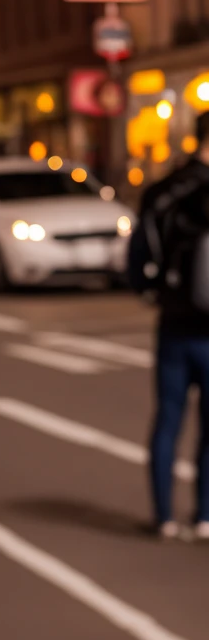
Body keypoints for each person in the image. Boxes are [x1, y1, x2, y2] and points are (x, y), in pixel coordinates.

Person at [132, 110, 209, 539]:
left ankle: (163, 516)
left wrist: (154, 292)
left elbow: (137, 258)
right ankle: (204, 515)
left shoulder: (164, 193)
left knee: (168, 419)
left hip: (174, 324)